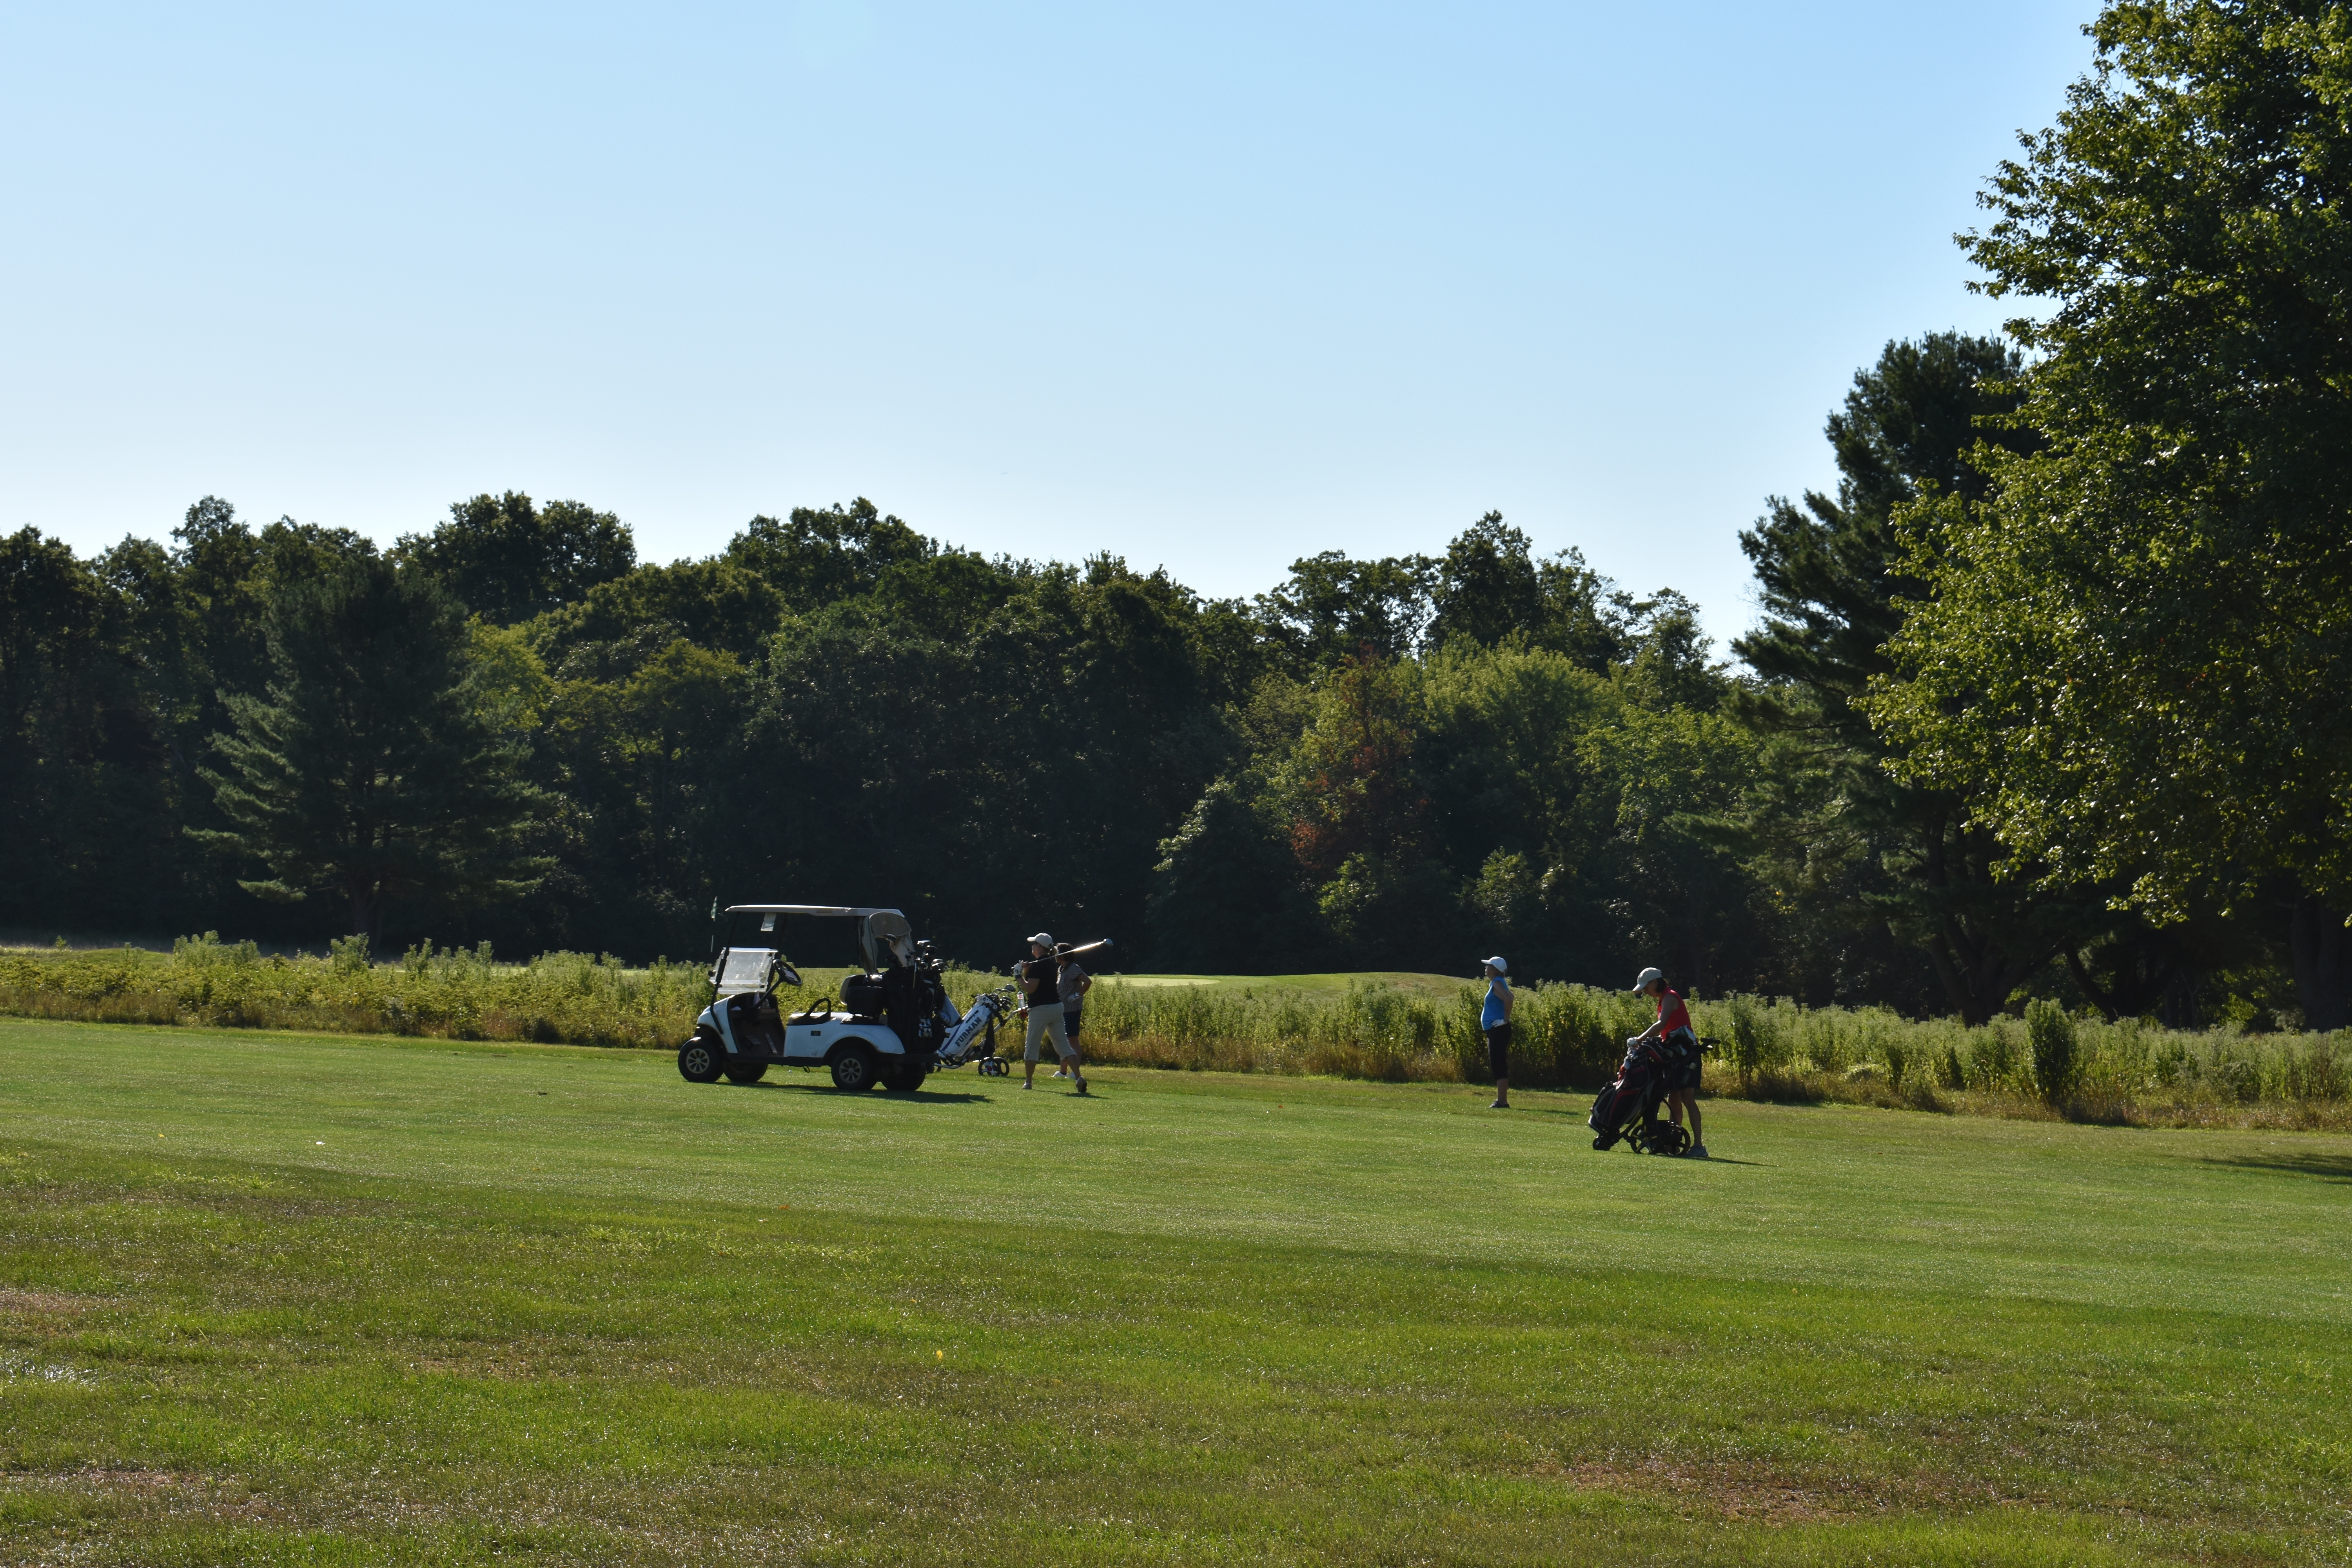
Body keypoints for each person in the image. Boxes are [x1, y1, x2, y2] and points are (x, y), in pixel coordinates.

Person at [1631, 965, 1706, 1157]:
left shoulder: (1671, 997)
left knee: (1687, 1099)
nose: (1646, 992)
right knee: (1674, 1099)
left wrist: (1639, 1040)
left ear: (1655, 983)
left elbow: (1662, 1024)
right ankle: (1673, 1142)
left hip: (1687, 1055)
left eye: (1646, 988)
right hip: (1675, 1054)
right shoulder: (1663, 1000)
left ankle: (1699, 1147)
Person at [1017, 932, 1087, 1093]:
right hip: (1056, 1007)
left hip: (1041, 1009)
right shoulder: (1050, 964)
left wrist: (1018, 976)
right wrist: (1027, 971)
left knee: (1032, 1046)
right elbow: (1037, 983)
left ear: (1040, 947)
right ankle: (1078, 1077)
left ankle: (1028, 1083)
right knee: (1063, 1046)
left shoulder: (1040, 965)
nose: (1032, 946)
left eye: (1034, 944)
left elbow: (1030, 988)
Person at [1051, 943, 1094, 1078]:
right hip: (1062, 1009)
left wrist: (1078, 995)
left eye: (1057, 953)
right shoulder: (1062, 969)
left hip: (1072, 1009)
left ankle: (1076, 1073)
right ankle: (1063, 1072)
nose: (1055, 956)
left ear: (1064, 955)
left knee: (1072, 1040)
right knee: (1063, 1040)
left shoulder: (1074, 969)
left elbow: (1087, 982)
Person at [1480, 956, 1514, 1108]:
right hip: (1496, 1029)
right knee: (1499, 1063)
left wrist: (1505, 1020)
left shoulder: (1497, 983)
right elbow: (1511, 996)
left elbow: (1508, 999)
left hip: (1498, 1029)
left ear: (1495, 970)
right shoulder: (1498, 983)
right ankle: (1502, 1100)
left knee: (1498, 1064)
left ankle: (1502, 1102)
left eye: (1489, 966)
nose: (1486, 968)